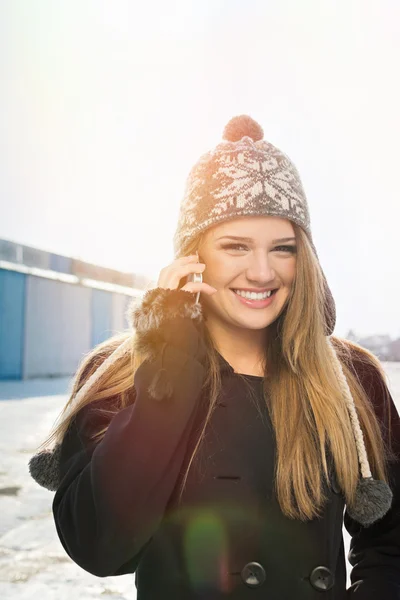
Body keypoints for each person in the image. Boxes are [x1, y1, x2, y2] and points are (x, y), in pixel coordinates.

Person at [29, 115, 400, 599]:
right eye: (236, 246)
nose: (263, 272)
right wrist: (172, 369)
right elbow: (99, 548)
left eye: (283, 248)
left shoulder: (349, 378)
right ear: (192, 254)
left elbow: (392, 544)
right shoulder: (120, 374)